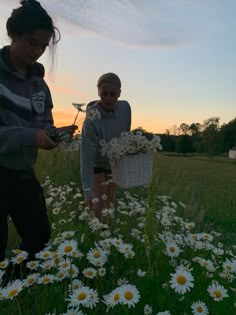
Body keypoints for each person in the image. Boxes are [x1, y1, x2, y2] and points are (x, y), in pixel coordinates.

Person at [0, 0, 77, 263]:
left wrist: (54, 134)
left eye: (44, 46)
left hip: (22, 173)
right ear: (13, 34)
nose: (39, 51)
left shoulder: (39, 85)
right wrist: (30, 137)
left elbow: (42, 122)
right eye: (33, 43)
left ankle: (17, 287)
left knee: (39, 237)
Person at [80, 73, 131, 221]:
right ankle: (97, 237)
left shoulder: (125, 108)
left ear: (119, 93)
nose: (108, 98)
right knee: (98, 210)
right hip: (96, 165)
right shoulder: (91, 122)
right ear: (98, 92)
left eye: (113, 94)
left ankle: (107, 237)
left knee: (109, 206)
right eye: (104, 93)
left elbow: (124, 136)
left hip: (113, 165)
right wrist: (87, 192)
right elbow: (86, 158)